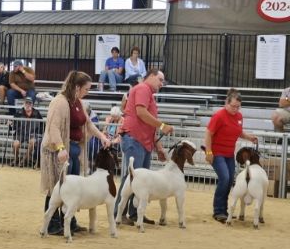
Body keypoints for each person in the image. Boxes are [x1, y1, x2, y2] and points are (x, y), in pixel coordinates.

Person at [40, 71, 111, 235]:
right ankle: (52, 223)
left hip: (74, 149)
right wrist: (60, 148)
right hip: (59, 151)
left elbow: (87, 124)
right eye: (86, 89)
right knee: (56, 187)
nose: (87, 92)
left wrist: (101, 136)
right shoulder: (59, 102)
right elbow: (53, 127)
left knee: (72, 187)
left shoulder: (78, 102)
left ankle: (70, 220)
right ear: (77, 87)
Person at [115, 68, 174, 225]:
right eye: (160, 80)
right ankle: (119, 213)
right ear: (152, 76)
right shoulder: (142, 88)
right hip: (135, 139)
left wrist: (158, 147)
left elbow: (148, 124)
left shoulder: (148, 93)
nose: (162, 84)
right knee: (132, 177)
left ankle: (133, 213)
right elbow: (141, 113)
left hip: (143, 141)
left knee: (139, 180)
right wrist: (162, 126)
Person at [205, 89, 258, 223]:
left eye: (238, 106)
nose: (235, 109)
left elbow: (238, 132)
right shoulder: (219, 116)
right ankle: (218, 211)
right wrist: (209, 152)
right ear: (226, 103)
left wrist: (249, 137)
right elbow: (208, 134)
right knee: (225, 178)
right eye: (233, 106)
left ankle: (224, 210)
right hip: (217, 153)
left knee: (229, 181)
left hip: (229, 153)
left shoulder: (239, 117)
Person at [12, 97, 43, 167]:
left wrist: (39, 133)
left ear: (32, 105)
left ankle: (24, 160)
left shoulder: (37, 113)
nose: (28, 105)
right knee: (15, 144)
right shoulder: (18, 112)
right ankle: (16, 159)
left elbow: (42, 125)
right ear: (24, 104)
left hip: (32, 133)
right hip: (20, 133)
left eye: (29, 103)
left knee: (32, 142)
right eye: (26, 103)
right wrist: (10, 125)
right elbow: (13, 125)